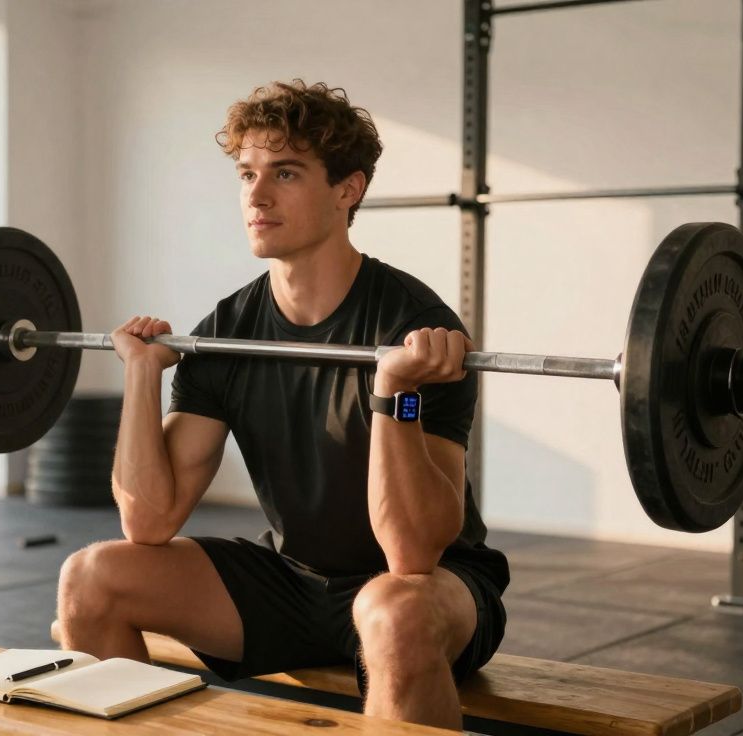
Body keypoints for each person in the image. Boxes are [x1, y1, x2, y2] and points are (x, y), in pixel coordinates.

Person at [55, 80, 509, 730]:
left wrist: (396, 393)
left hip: (430, 587)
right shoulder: (227, 331)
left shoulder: (419, 327)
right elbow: (148, 522)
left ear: (347, 190)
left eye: (285, 172)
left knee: (394, 614)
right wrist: (141, 378)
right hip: (292, 580)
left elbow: (413, 552)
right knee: (90, 579)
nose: (256, 196)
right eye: (247, 174)